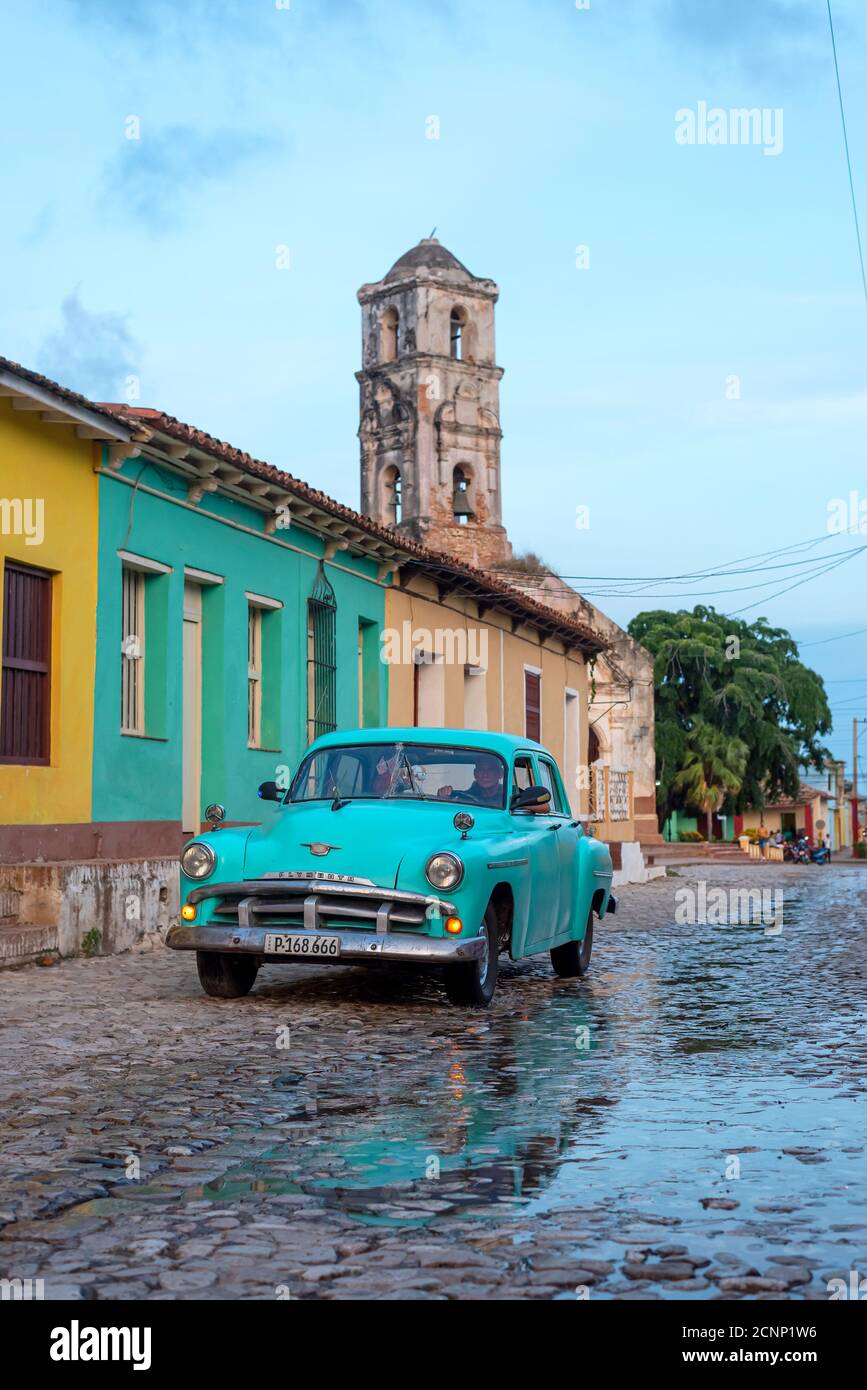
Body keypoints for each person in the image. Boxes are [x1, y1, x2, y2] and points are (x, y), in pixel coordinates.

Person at [437, 754, 504, 808]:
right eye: (481, 769)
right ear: (475, 773)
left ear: (500, 773)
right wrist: (444, 797)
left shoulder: (509, 799)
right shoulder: (463, 798)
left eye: (491, 770)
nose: (485, 775)